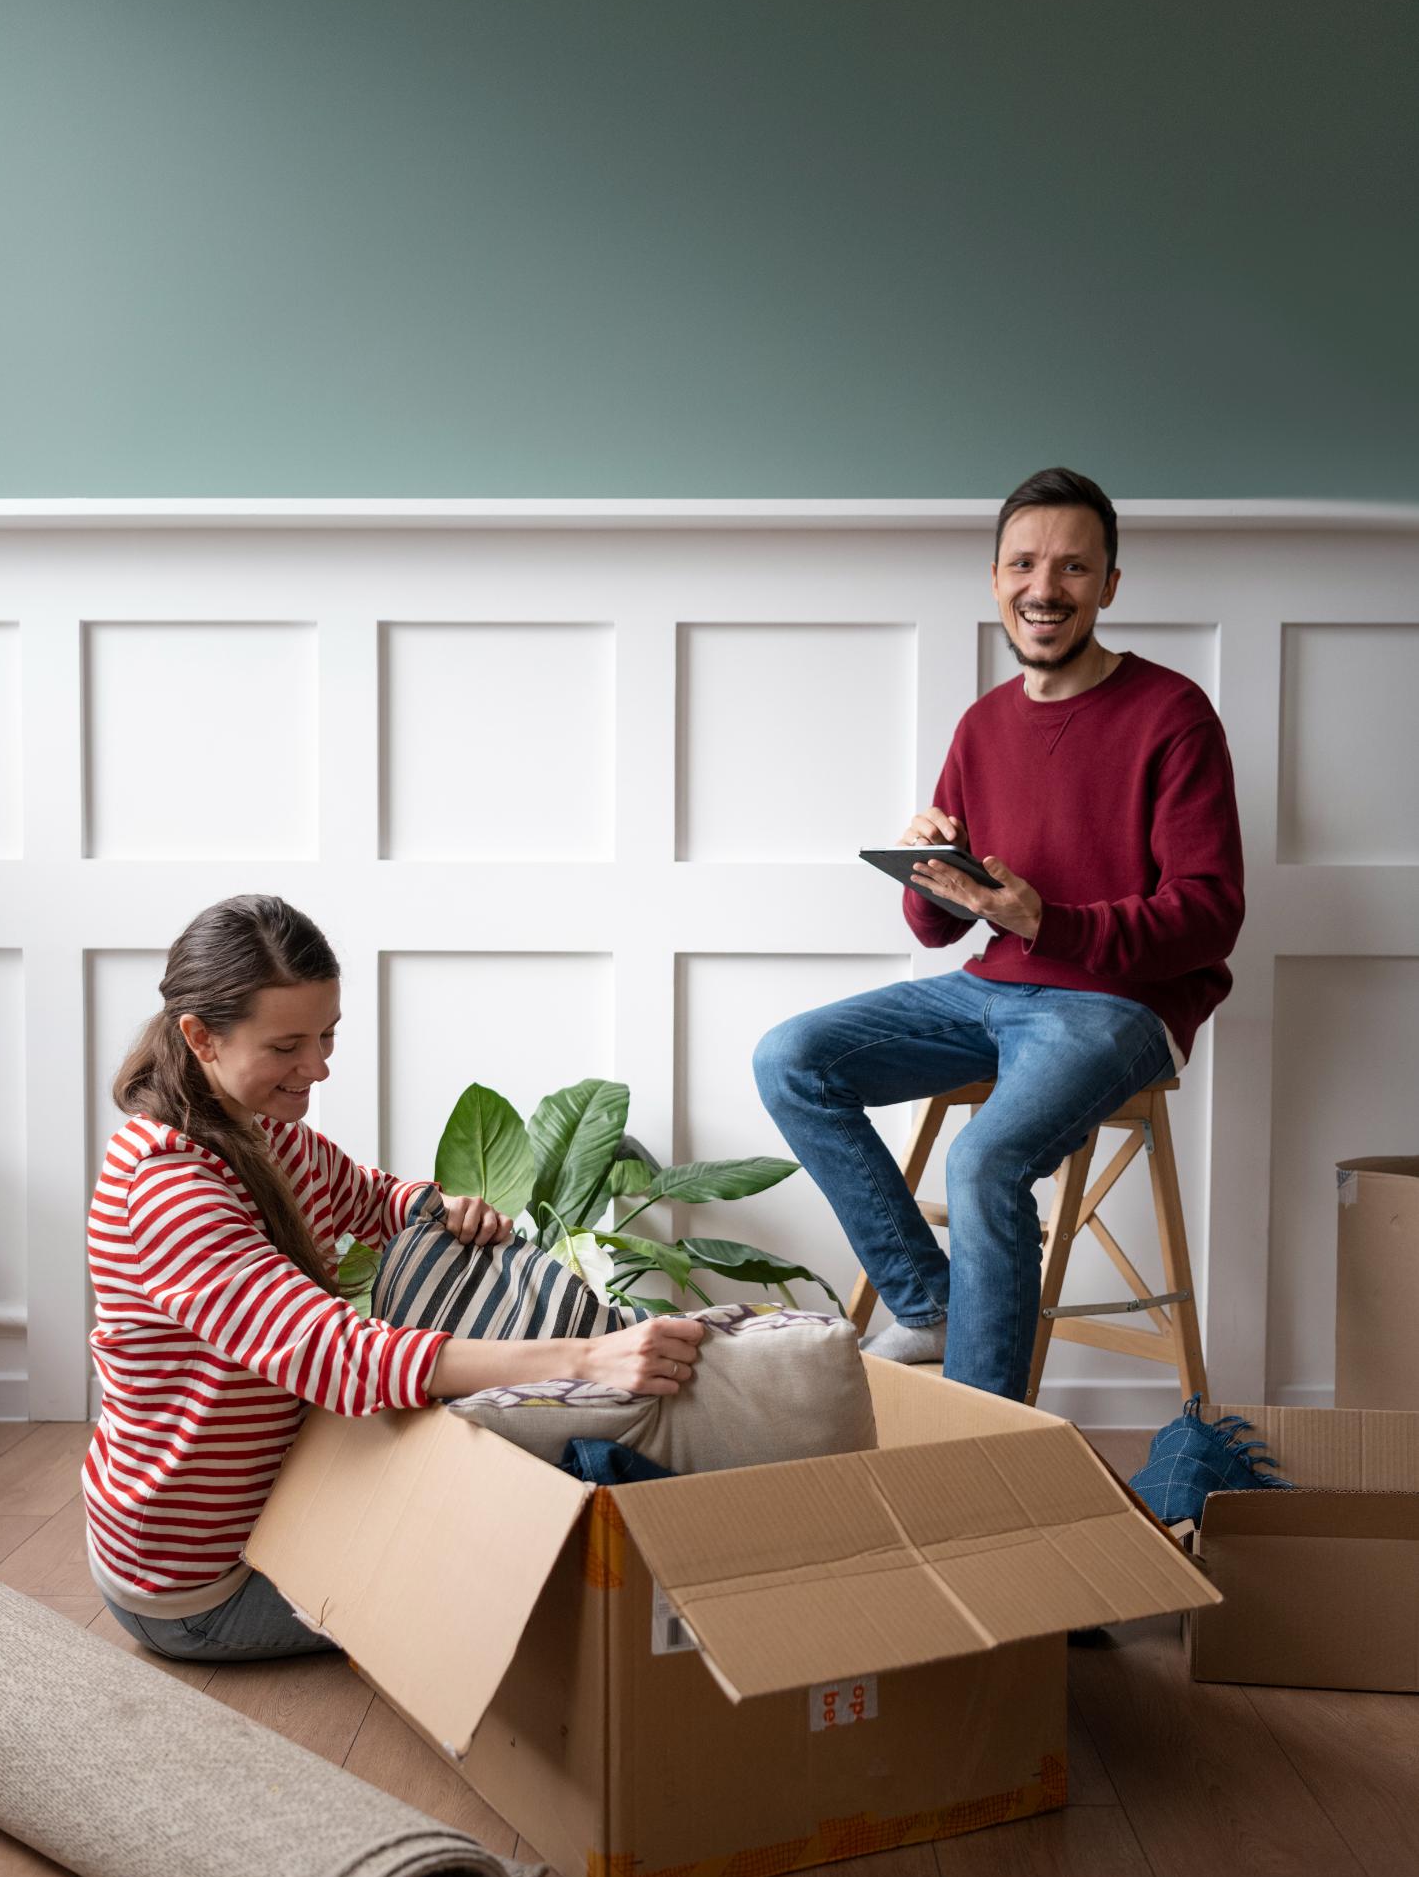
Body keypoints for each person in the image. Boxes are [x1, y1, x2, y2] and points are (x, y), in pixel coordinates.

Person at [84, 894, 702, 1661]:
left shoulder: (260, 1130)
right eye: (287, 1046)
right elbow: (344, 1357)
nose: (318, 1067)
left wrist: (438, 1207)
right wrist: (584, 1360)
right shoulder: (167, 1192)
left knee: (534, 1513)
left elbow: (369, 1196)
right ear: (200, 1037)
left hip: (283, 1500)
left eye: (327, 1035)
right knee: (555, 1577)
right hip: (205, 1582)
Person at [754, 466, 1244, 1403]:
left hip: (1118, 1007)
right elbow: (934, 929)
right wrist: (929, 869)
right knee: (790, 1059)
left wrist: (1049, 922)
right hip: (989, 988)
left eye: (1071, 566)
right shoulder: (982, 724)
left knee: (983, 1159)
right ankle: (930, 1303)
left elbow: (1210, 913)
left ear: (1108, 585)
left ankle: (982, 1439)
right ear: (993, 580)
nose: (1042, 587)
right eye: (1022, 564)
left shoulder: (1172, 713)